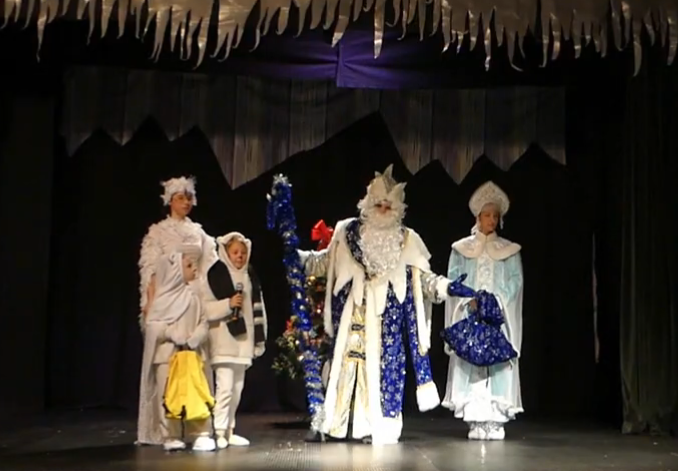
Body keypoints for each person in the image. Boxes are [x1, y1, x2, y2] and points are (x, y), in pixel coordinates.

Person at [298, 164, 472, 445]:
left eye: (388, 206)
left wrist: (446, 286)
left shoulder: (407, 241)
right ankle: (333, 425)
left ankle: (373, 428)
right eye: (377, 204)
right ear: (367, 204)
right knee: (342, 370)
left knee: (381, 376)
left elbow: (424, 280)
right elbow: (324, 263)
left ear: (398, 209)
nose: (382, 209)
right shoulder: (346, 233)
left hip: (384, 326)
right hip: (350, 321)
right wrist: (299, 259)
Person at [442, 181, 524, 440]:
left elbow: (516, 280)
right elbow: (453, 279)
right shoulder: (461, 249)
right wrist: (469, 299)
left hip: (497, 317)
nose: (491, 220)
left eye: (495, 216)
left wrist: (498, 299)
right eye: (487, 215)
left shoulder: (508, 250)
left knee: (498, 364)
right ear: (478, 217)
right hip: (471, 314)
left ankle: (495, 419)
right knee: (471, 360)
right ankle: (475, 419)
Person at [136, 252, 214, 451]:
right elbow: (153, 326)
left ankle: (199, 433)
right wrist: (171, 333)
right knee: (168, 396)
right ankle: (170, 434)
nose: (194, 269)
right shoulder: (162, 300)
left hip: (192, 355)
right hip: (166, 357)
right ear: (176, 271)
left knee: (196, 393)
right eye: (188, 266)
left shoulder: (194, 297)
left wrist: (195, 337)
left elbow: (203, 321)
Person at [199, 232, 268, 449]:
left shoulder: (250, 277)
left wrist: (260, 339)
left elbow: (259, 311)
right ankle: (218, 430)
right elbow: (205, 310)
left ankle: (229, 430)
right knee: (225, 389)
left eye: (243, 252)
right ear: (226, 253)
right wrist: (228, 304)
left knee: (237, 390)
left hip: (244, 343)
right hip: (223, 341)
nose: (240, 256)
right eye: (235, 252)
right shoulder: (216, 275)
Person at [138, 176, 218, 326]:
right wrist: (150, 301)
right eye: (181, 198)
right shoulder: (158, 232)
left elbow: (210, 265)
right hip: (169, 296)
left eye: (189, 198)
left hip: (195, 295)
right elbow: (150, 270)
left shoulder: (199, 232)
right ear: (170, 200)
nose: (186, 202)